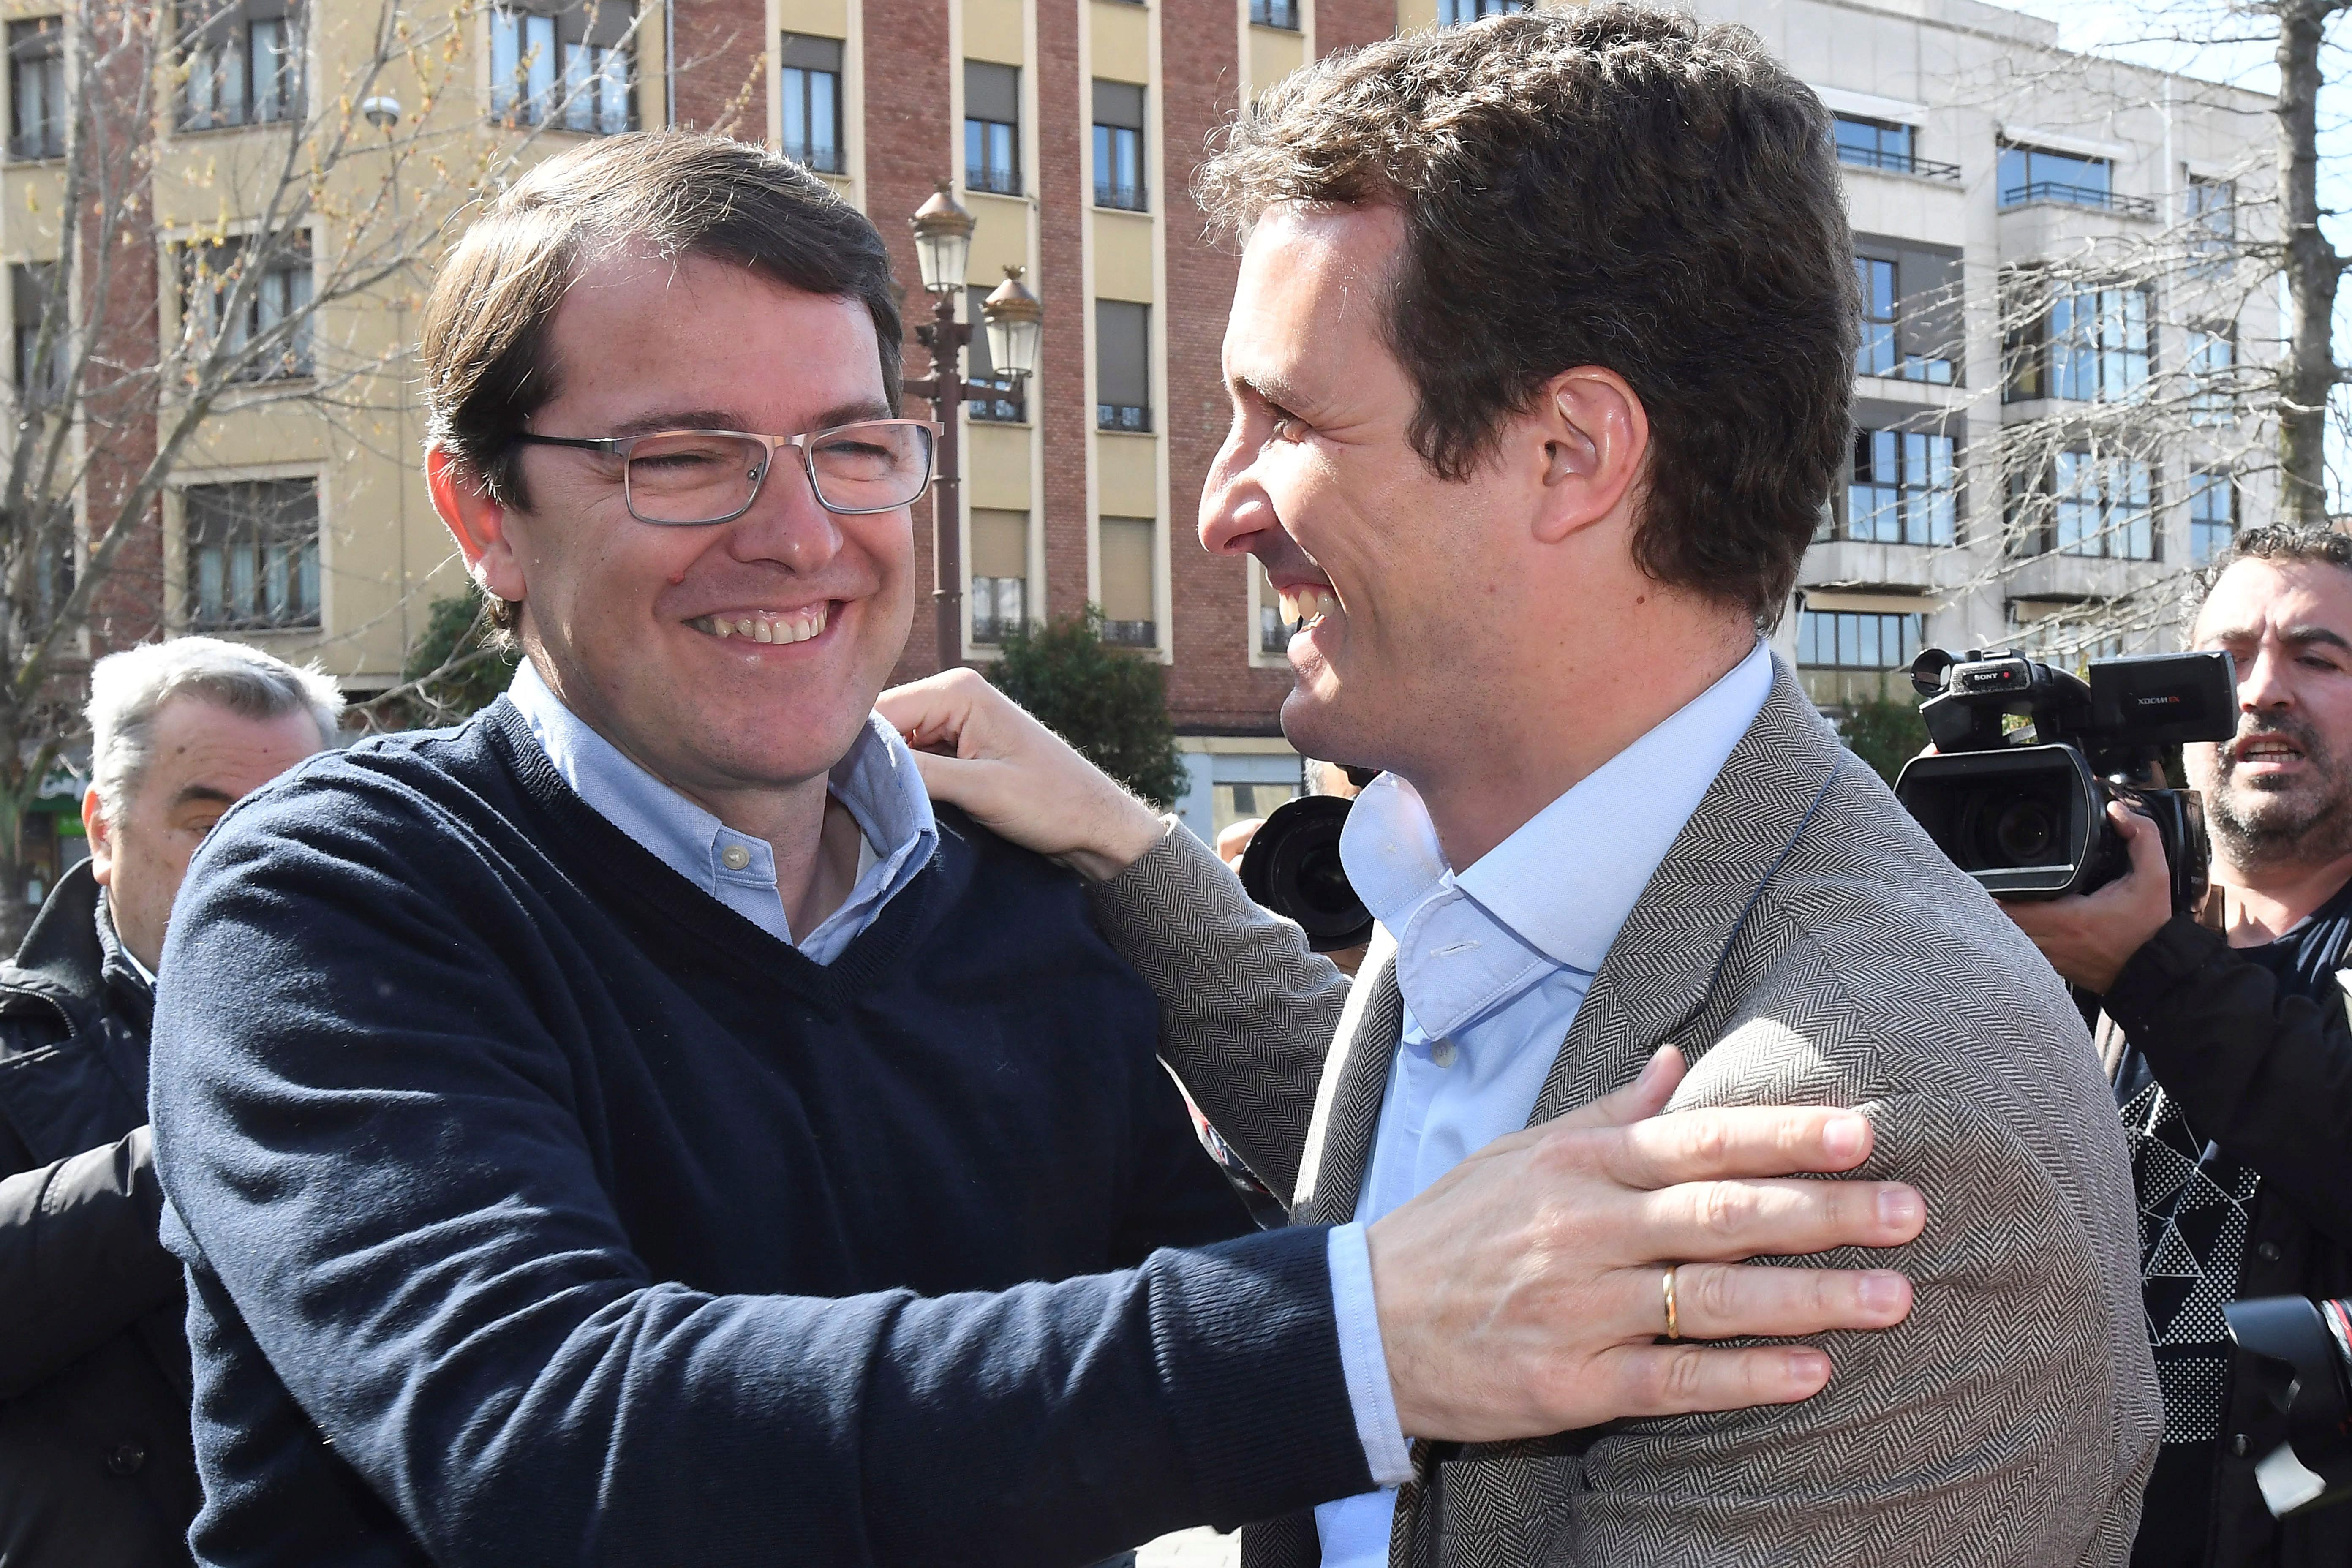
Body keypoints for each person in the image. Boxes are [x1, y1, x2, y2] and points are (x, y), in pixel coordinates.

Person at [146, 130, 1931, 1568]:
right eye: (684, 460)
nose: (798, 535)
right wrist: (1351, 1334)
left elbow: (1314, 1250)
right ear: (486, 516)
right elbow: (552, 1438)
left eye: (854, 448)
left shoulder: (1006, 894)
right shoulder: (339, 899)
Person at [880, 10, 2161, 1566]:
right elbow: (1433, 1172)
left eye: (1284, 416)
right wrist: (1123, 849)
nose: (1221, 505)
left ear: (1568, 451)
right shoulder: (1475, 876)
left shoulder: (1857, 1124)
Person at [1997, 526, 2352, 1568]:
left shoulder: (2138, 954)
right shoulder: (2092, 937)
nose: (2262, 692)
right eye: (2228, 659)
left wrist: (2147, 966)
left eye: (2318, 658)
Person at [0, 637, 342, 1567]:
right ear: (103, 833)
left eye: (297, 818)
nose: (262, 858)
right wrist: (211, 1143)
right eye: (209, 822)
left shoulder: (423, 1029)